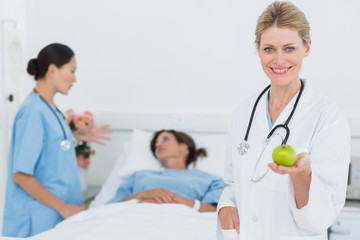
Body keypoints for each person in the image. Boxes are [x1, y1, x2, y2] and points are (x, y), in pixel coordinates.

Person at [217, 2, 350, 240]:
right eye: (269, 49)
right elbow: (231, 181)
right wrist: (226, 205)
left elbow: (321, 217)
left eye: (289, 48)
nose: (279, 60)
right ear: (258, 49)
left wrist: (302, 175)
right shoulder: (243, 112)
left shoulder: (327, 118)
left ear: (306, 48)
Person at [2, 43, 112, 238]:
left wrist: (76, 137)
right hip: (37, 222)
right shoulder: (32, 112)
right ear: (52, 70)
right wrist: (63, 207)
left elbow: (50, 149)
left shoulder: (49, 108)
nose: (75, 79)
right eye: (72, 71)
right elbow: (21, 175)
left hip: (54, 219)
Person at [108, 129, 225, 212]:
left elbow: (216, 211)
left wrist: (177, 199)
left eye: (165, 139)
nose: (158, 144)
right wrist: (142, 195)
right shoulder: (139, 175)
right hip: (136, 217)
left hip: (183, 220)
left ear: (184, 147)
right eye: (156, 144)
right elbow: (111, 207)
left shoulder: (210, 180)